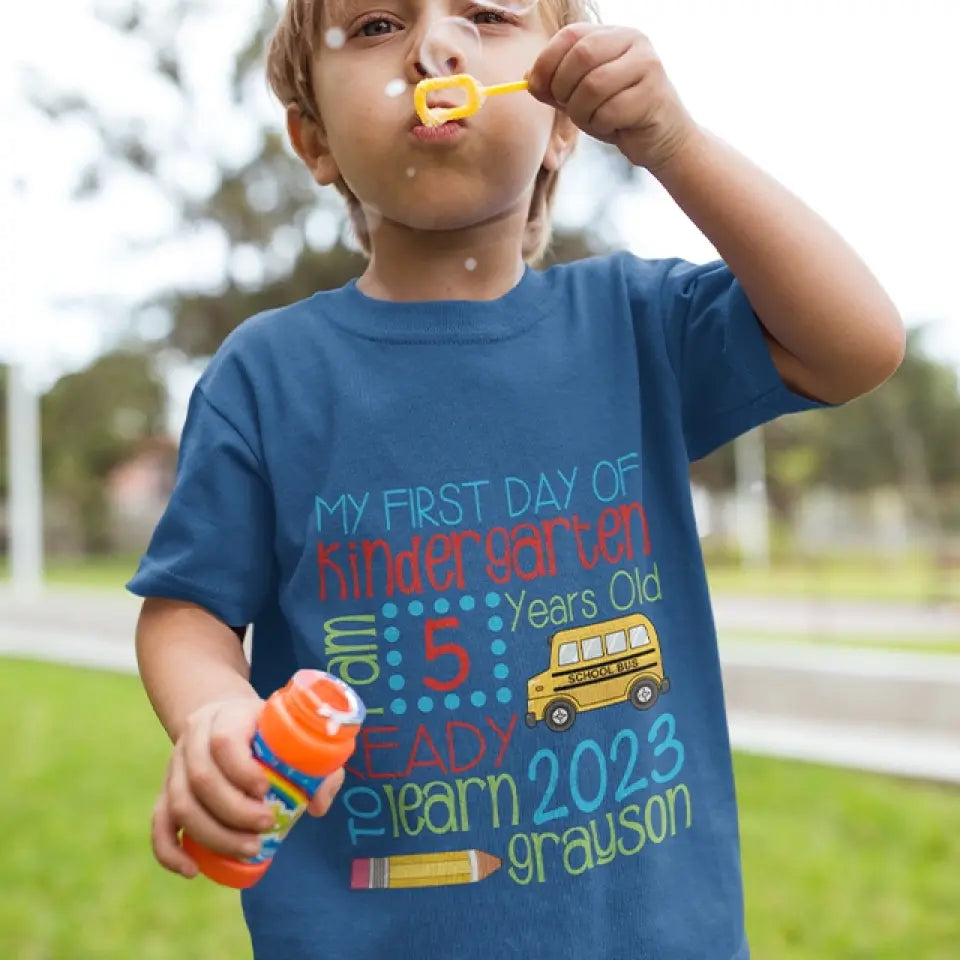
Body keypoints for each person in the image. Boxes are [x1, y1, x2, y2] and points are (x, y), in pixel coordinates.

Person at [129, 0, 905, 957]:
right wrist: (215, 710)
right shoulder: (267, 378)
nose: (435, 48)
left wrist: (673, 143)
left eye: (486, 14)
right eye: (376, 25)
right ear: (313, 138)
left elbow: (856, 345)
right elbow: (186, 607)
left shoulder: (635, 326)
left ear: (561, 123)